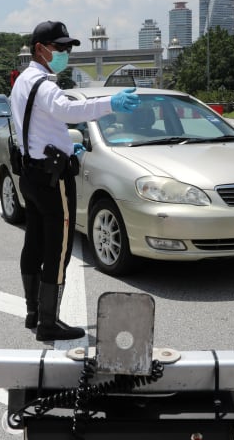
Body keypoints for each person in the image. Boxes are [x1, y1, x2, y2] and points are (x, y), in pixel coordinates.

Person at [11, 20, 140, 342]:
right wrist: (111, 103)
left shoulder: (22, 82)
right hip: (53, 179)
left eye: (68, 48)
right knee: (59, 247)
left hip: (31, 171)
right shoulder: (45, 85)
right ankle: (48, 322)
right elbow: (67, 111)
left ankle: (33, 312)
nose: (65, 53)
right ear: (41, 48)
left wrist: (68, 146)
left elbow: (38, 124)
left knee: (35, 242)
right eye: (60, 47)